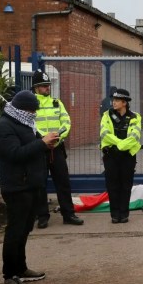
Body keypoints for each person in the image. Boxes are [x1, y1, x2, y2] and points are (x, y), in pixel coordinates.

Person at [0, 90, 59, 284]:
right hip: (17, 187)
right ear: (22, 109)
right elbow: (14, 154)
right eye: (31, 110)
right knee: (15, 231)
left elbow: (32, 147)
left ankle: (21, 268)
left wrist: (47, 145)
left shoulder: (25, 123)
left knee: (25, 229)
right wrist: (41, 143)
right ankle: (9, 276)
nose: (34, 114)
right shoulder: (3, 127)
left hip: (31, 185)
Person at [31, 70, 83, 228]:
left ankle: (68, 214)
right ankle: (42, 216)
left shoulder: (57, 103)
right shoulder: (31, 104)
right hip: (40, 149)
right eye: (44, 86)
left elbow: (66, 122)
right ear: (36, 88)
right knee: (39, 184)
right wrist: (43, 139)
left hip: (57, 148)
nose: (47, 87)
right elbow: (30, 125)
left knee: (63, 182)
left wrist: (57, 137)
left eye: (48, 85)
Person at [100, 88, 142, 223]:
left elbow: (134, 136)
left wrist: (119, 146)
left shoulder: (135, 117)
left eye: (117, 100)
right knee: (112, 186)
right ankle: (114, 214)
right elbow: (104, 134)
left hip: (127, 156)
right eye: (114, 100)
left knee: (126, 186)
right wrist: (120, 144)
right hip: (111, 155)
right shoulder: (106, 115)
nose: (114, 102)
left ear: (125, 102)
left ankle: (124, 214)